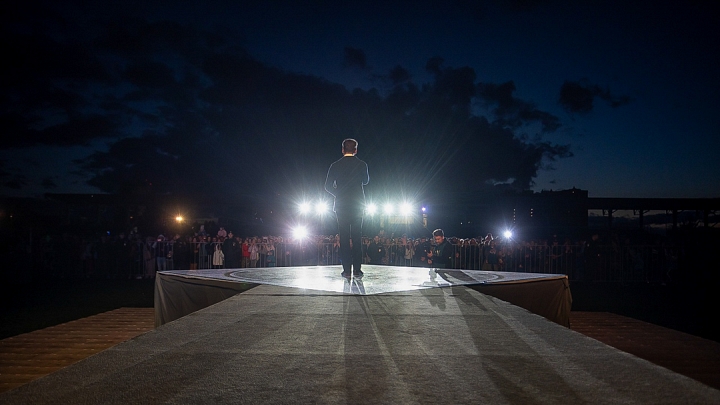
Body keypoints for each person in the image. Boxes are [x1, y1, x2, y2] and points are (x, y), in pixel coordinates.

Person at [324, 138, 369, 278]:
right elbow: (366, 181)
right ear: (356, 150)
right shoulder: (362, 164)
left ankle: (347, 270)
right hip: (357, 205)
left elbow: (327, 186)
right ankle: (357, 269)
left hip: (341, 205)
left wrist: (339, 194)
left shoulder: (335, 165)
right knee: (356, 237)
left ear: (342, 150)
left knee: (343, 238)